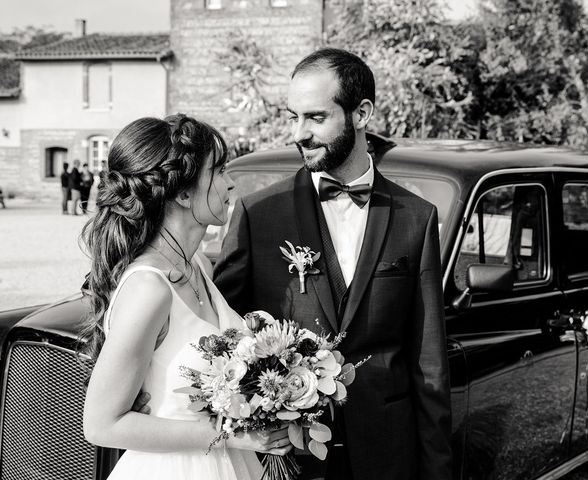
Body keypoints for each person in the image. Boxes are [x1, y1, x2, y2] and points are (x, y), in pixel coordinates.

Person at [213, 48, 452, 480]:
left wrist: (436, 470)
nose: (299, 133)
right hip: (287, 457)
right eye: (293, 117)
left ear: (361, 114)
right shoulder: (259, 214)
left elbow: (428, 361)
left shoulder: (416, 217)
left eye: (316, 118)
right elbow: (222, 337)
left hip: (386, 452)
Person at [80, 114, 291, 480]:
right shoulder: (149, 288)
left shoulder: (196, 267)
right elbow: (101, 424)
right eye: (219, 171)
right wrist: (233, 432)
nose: (230, 185)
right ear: (182, 192)